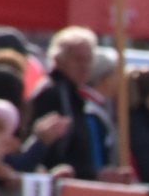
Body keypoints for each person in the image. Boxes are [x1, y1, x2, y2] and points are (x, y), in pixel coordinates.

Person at [28, 28, 103, 181]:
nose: (84, 67)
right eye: (78, 59)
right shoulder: (51, 93)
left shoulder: (74, 95)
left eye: (88, 60)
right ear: (58, 60)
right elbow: (51, 153)